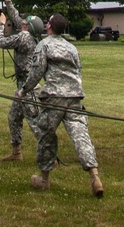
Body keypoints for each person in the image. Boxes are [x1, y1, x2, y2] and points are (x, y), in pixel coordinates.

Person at [20, 12, 103, 198]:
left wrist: (24, 90)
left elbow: (36, 72)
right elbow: (78, 70)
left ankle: (44, 179)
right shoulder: (72, 48)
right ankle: (94, 176)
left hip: (53, 99)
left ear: (49, 26)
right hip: (75, 97)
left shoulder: (44, 45)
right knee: (81, 136)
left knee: (46, 136)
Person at [0, 0, 44, 163]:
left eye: (25, 22)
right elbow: (15, 16)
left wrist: (0, 25)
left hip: (28, 87)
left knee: (35, 122)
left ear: (27, 28)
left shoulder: (23, 37)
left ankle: (49, 155)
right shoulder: (30, 34)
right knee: (14, 117)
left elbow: (0, 42)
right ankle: (16, 153)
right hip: (23, 84)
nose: (21, 21)